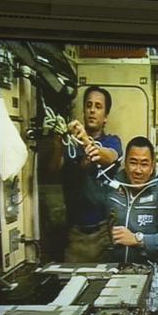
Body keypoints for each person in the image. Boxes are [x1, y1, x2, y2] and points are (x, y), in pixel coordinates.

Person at [47, 86, 122, 263]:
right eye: (88, 105)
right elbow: (53, 169)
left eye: (98, 106)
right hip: (76, 234)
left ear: (106, 116)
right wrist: (58, 141)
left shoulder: (112, 141)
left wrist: (85, 140)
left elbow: (109, 157)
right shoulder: (70, 144)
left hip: (105, 232)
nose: (92, 110)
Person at [105, 136, 158, 267]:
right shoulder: (111, 188)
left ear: (152, 167)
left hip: (146, 272)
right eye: (133, 163)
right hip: (113, 270)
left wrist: (137, 239)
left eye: (144, 164)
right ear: (125, 164)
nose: (138, 170)